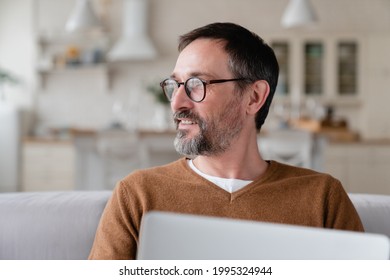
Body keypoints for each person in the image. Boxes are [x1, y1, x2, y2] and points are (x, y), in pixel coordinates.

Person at [89, 22, 363, 260]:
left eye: (197, 84)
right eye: (175, 85)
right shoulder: (136, 195)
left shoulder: (322, 197)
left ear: (253, 97)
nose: (177, 102)